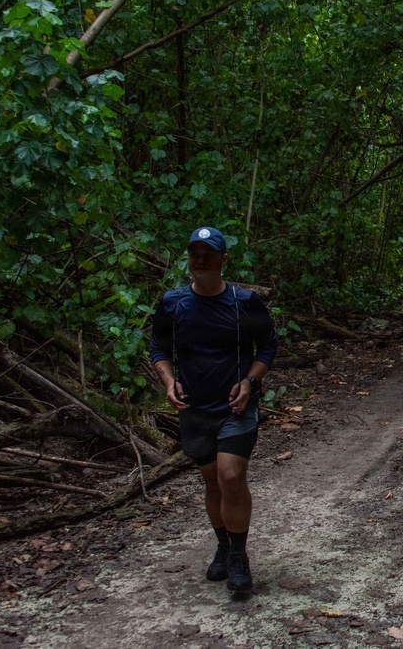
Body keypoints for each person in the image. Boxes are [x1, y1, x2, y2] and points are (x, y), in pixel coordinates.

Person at [149, 226, 278, 597]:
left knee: (230, 476)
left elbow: (267, 346)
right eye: (195, 253)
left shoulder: (244, 302)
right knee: (211, 481)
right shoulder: (173, 303)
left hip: (235, 405)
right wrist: (168, 382)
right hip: (194, 408)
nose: (201, 260)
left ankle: (239, 556)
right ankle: (223, 544)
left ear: (224, 260)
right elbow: (158, 347)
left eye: (209, 253)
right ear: (188, 259)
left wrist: (250, 382)